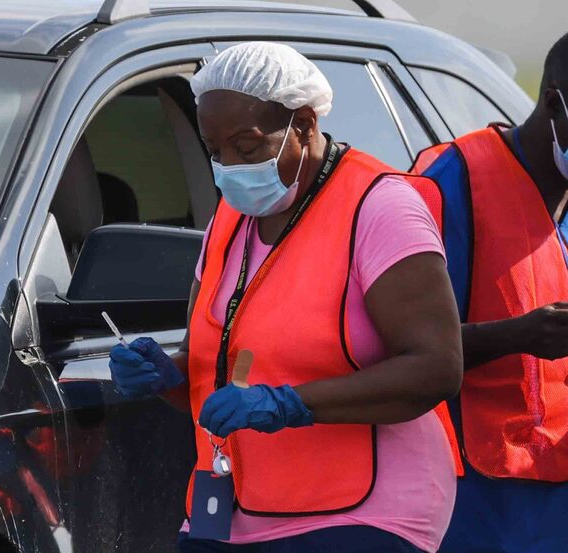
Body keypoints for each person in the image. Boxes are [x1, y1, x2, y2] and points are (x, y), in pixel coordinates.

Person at [109, 42, 463, 552]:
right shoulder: (230, 219)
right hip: (234, 509)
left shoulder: (380, 207)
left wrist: (291, 404)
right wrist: (169, 375)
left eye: (247, 147)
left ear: (303, 125)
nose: (229, 165)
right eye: (215, 151)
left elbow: (436, 368)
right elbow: (222, 363)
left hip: (363, 512)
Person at [412, 33, 568, 553]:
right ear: (553, 102)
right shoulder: (452, 181)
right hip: (476, 501)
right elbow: (400, 347)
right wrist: (517, 335)